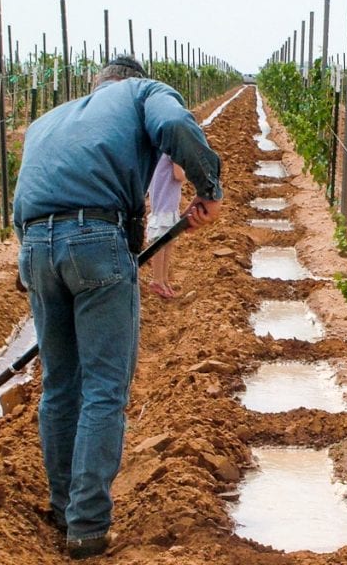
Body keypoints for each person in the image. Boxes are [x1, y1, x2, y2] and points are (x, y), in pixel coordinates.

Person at [12, 55, 222, 560]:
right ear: (130, 81)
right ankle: (87, 527)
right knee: (105, 388)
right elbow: (174, 125)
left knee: (60, 386)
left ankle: (65, 511)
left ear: (95, 85)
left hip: (35, 246)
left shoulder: (49, 120)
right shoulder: (143, 92)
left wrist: (40, 267)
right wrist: (209, 188)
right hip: (95, 240)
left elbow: (23, 198)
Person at [146, 154, 184, 298]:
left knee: (167, 239)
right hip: (167, 201)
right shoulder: (174, 151)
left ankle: (163, 280)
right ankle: (157, 280)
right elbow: (179, 175)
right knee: (160, 240)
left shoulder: (159, 150)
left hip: (160, 199)